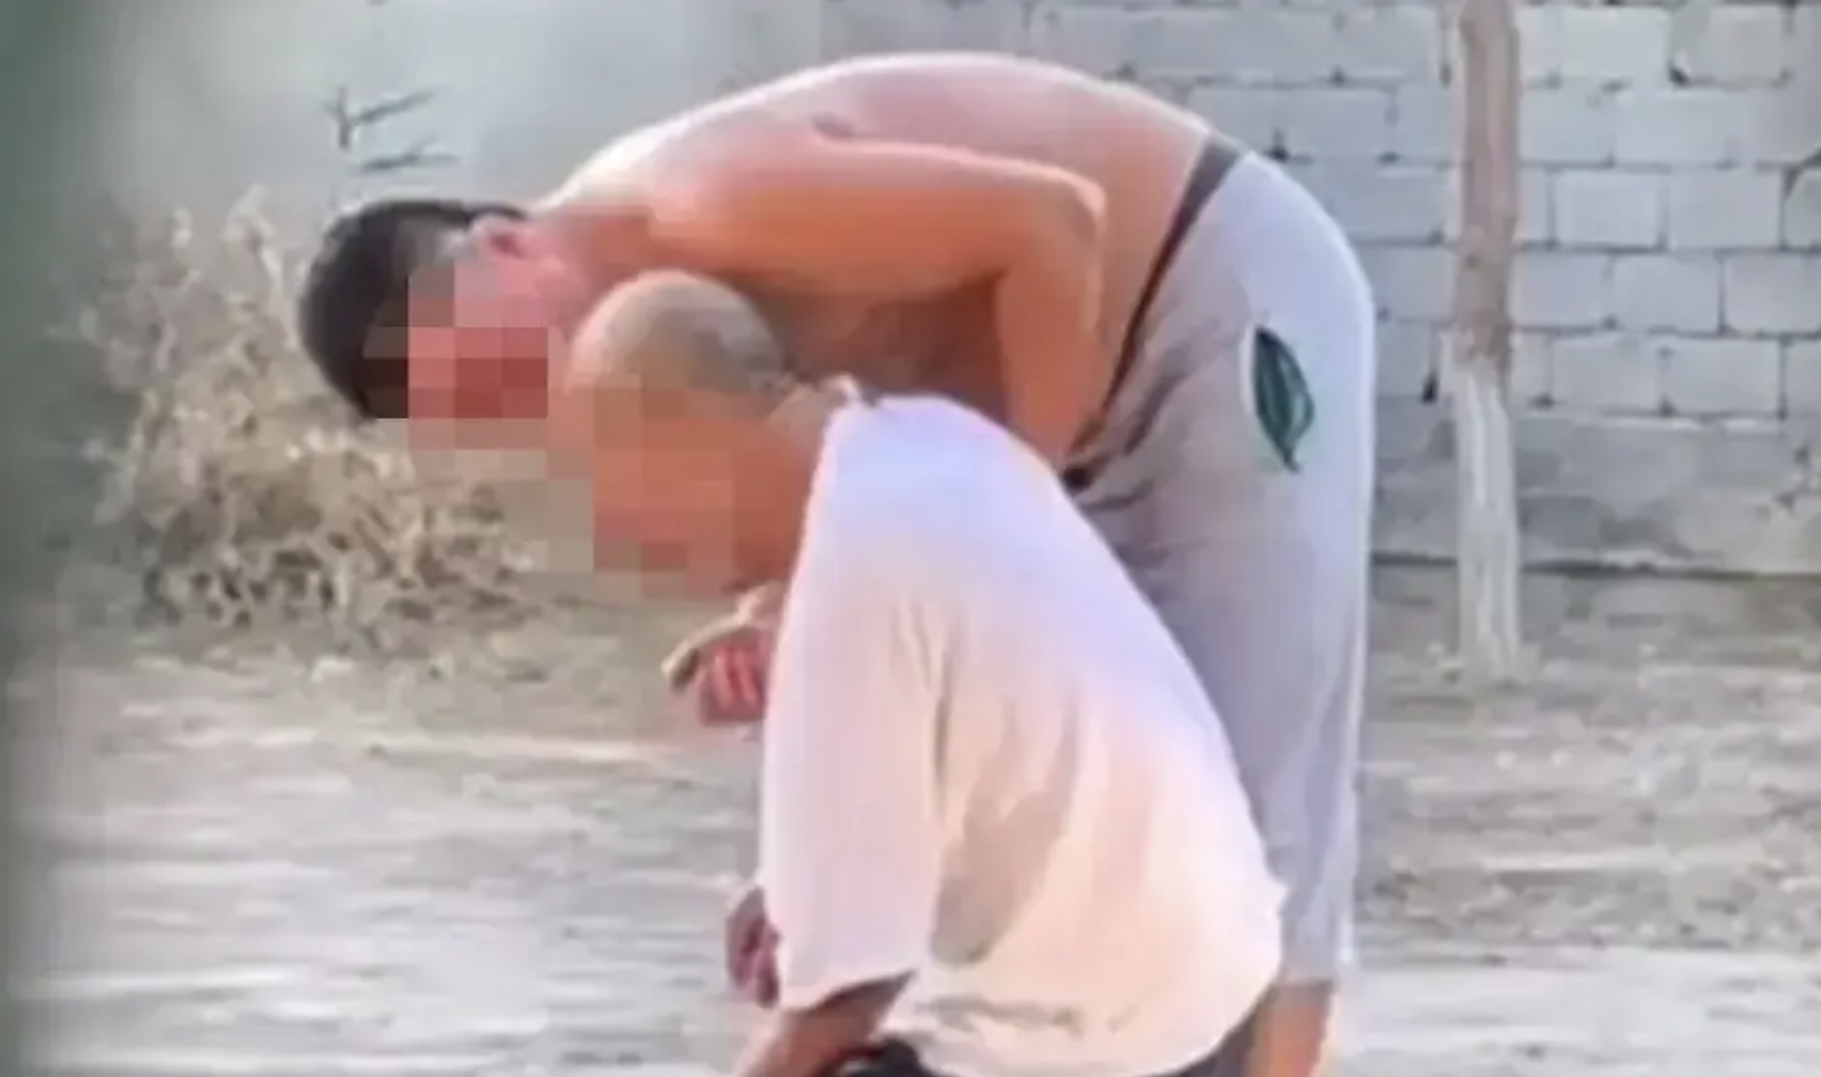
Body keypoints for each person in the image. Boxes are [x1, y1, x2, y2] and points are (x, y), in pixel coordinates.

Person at [294, 52, 1376, 1077]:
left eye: (496, 363)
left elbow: (1055, 226)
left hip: (1202, 295)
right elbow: (841, 482)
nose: (526, 395)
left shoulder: (706, 202)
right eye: (486, 410)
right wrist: (792, 630)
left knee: (1251, 816)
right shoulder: (668, 357)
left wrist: (1013, 523)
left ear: (505, 246)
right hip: (1038, 417)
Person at [556, 270, 1282, 1077]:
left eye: (611, 479)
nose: (614, 529)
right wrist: (799, 889)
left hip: (1119, 1039)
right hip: (1212, 985)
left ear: (681, 440)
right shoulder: (925, 439)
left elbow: (843, 998)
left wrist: (822, 955)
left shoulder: (850, 573)